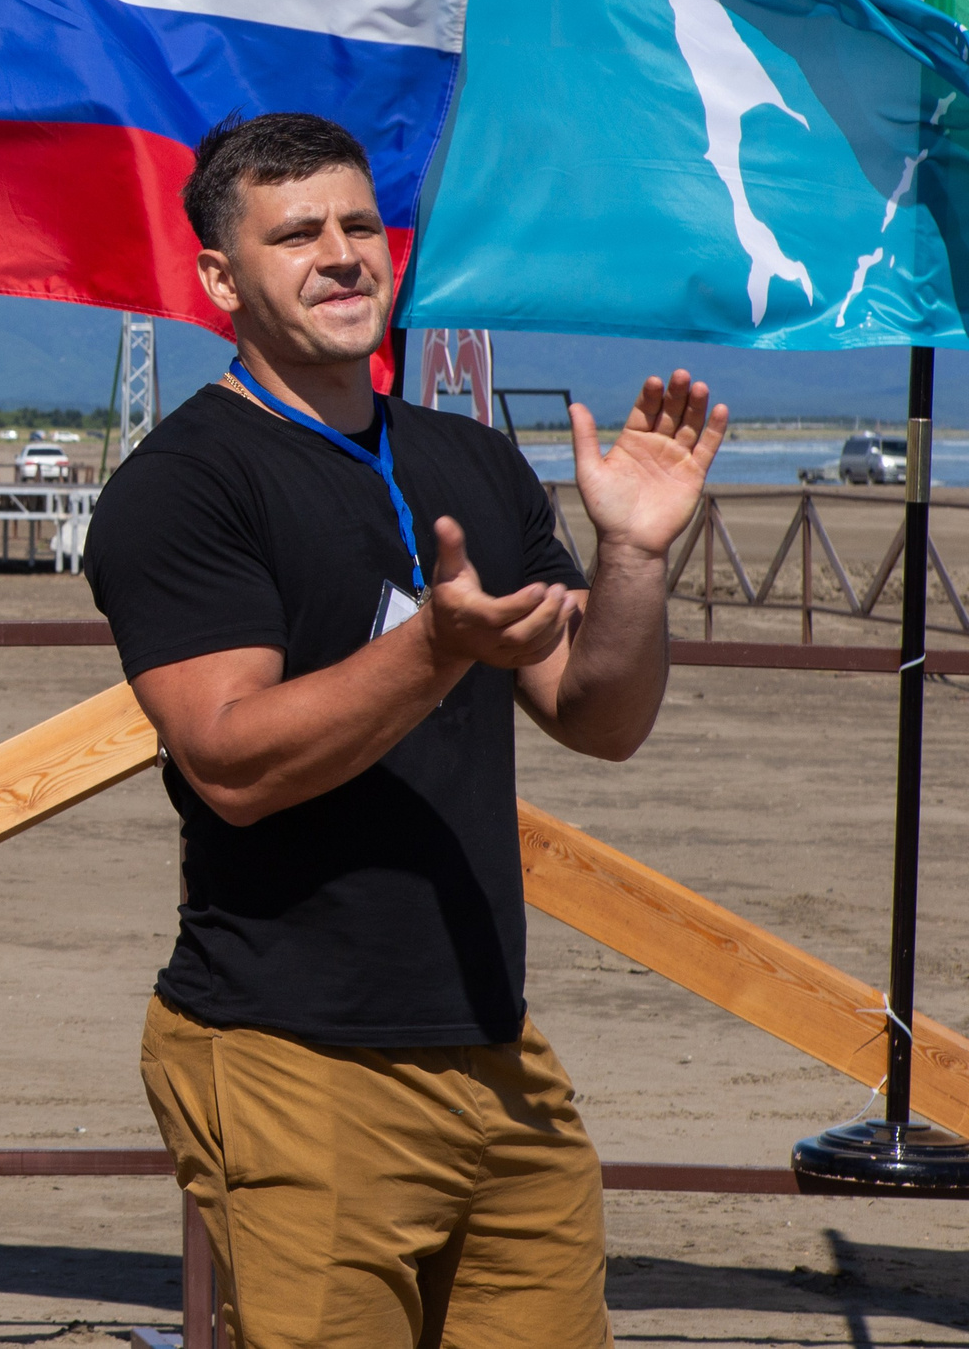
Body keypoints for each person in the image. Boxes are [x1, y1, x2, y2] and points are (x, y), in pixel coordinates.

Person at [84, 114, 724, 1349]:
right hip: (291, 1056)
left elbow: (598, 716)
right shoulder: (184, 486)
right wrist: (436, 644)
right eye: (295, 235)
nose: (341, 254)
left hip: (494, 1044)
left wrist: (634, 556)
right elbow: (230, 762)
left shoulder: (472, 462)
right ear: (220, 277)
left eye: (359, 224)